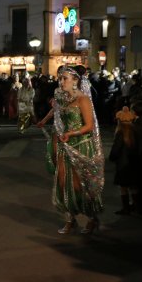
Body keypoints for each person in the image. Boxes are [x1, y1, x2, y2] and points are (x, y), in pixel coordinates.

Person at [36, 66, 104, 234]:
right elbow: (56, 111)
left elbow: (89, 125)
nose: (61, 81)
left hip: (80, 145)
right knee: (62, 183)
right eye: (60, 78)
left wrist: (71, 133)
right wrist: (45, 121)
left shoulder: (83, 99)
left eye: (64, 78)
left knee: (80, 184)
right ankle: (70, 219)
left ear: (75, 80)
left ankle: (92, 218)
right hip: (64, 146)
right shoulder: (62, 98)